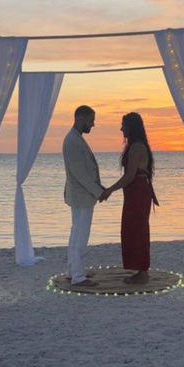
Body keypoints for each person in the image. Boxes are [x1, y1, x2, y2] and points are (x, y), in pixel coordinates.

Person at [102, 112, 158, 284]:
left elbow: (130, 176)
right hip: (135, 191)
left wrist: (110, 190)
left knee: (138, 230)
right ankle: (140, 270)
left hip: (138, 192)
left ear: (131, 127)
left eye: (123, 125)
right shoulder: (135, 146)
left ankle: (143, 272)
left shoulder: (136, 147)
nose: (121, 128)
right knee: (132, 229)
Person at [62, 105, 108, 286]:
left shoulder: (75, 138)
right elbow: (80, 173)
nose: (93, 124)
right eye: (91, 120)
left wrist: (98, 186)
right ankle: (78, 276)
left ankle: (72, 270)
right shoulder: (72, 141)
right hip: (82, 196)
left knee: (76, 233)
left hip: (82, 195)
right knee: (80, 235)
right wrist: (98, 192)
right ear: (80, 118)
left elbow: (85, 172)